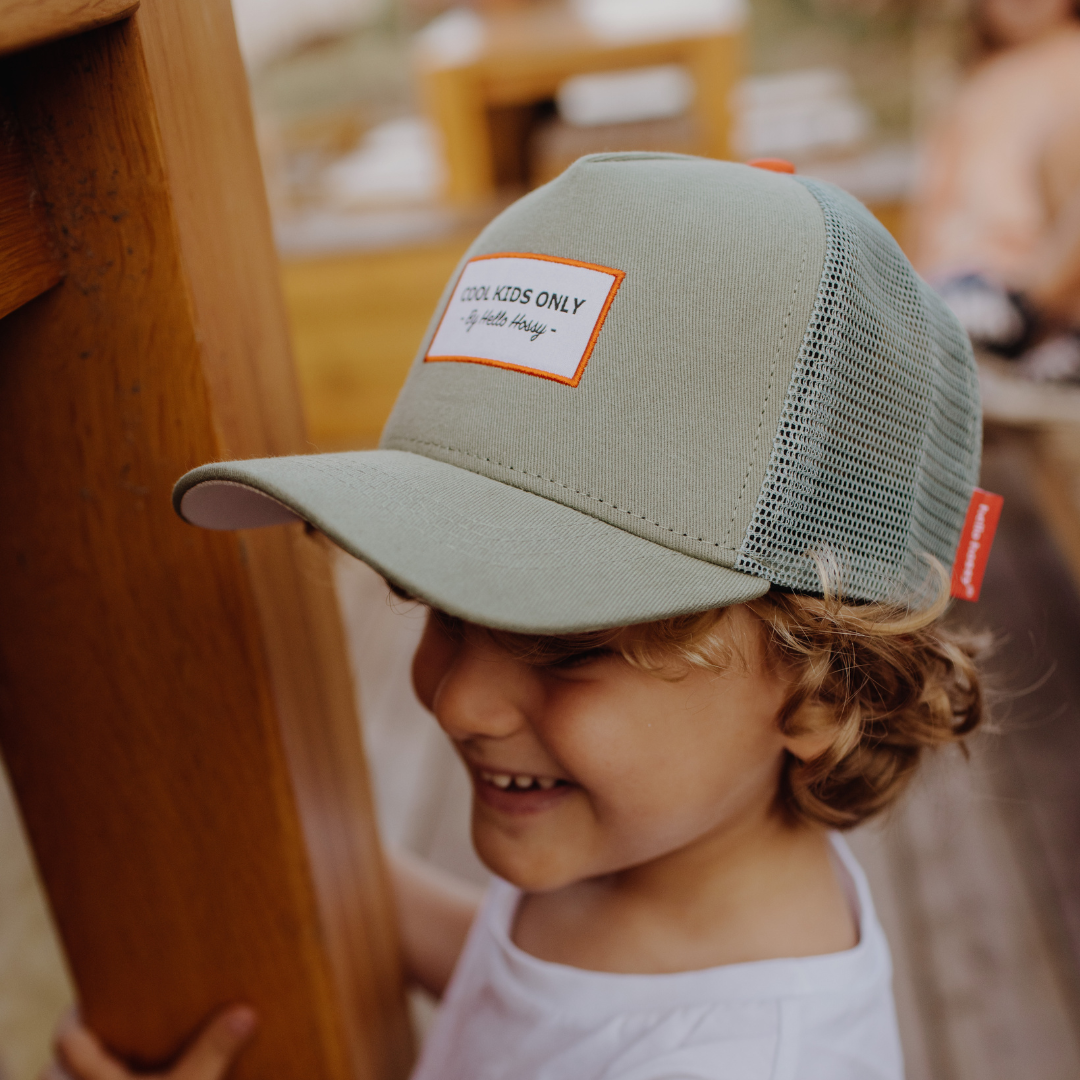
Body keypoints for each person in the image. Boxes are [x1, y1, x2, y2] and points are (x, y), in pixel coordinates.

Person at [47, 153, 988, 1080]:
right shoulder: (649, 881)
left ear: (828, 688)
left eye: (566, 647)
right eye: (437, 606)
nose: (460, 702)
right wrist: (307, 858)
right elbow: (539, 1005)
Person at [911, 0, 1080, 380]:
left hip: (1030, 279)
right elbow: (932, 206)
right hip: (956, 280)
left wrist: (1040, 296)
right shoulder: (972, 86)